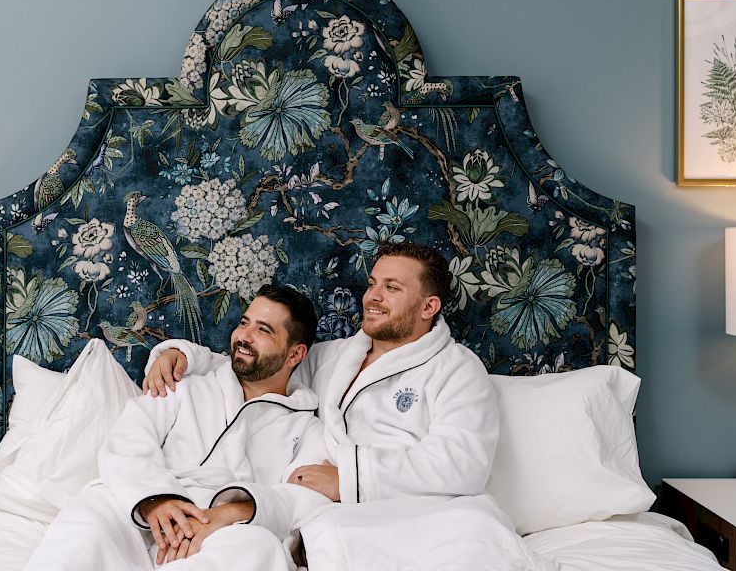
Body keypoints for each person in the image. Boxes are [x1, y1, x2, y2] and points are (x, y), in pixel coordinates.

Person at [144, 242, 556, 571]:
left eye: (392, 288)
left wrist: (349, 479)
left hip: (422, 511)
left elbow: (462, 464)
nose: (373, 297)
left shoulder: (457, 368)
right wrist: (181, 354)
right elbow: (262, 365)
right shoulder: (334, 357)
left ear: (429, 307)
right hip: (335, 518)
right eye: (374, 283)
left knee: (467, 544)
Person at [23, 284, 331, 571]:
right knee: (87, 517)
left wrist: (231, 512)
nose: (243, 336)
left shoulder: (306, 428)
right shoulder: (182, 386)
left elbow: (307, 499)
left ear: (295, 354)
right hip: (140, 508)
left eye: (263, 330)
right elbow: (128, 441)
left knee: (259, 548)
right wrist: (156, 499)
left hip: (218, 530)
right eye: (244, 323)